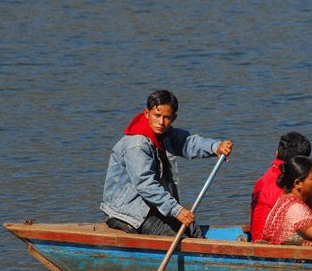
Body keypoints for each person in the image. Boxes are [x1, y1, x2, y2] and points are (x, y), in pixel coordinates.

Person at [100, 90, 233, 238]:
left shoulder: (165, 135)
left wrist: (216, 147)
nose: (161, 122)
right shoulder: (136, 144)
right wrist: (177, 210)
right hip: (127, 211)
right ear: (146, 113)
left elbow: (188, 143)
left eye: (166, 117)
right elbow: (146, 185)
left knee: (193, 230)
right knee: (175, 237)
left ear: (174, 118)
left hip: (154, 206)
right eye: (157, 116)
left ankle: (208, 260)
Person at [250, 132, 312, 242]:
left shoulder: (264, 179)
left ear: (277, 153)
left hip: (259, 238)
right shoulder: (288, 182)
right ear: (300, 164)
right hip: (272, 243)